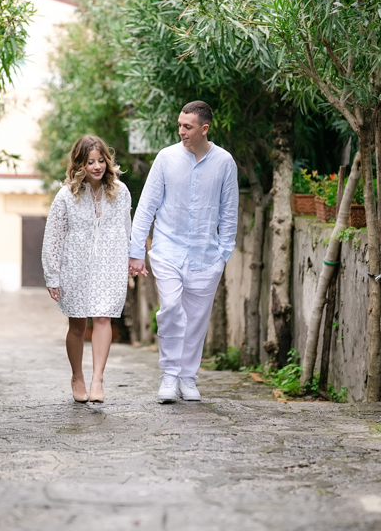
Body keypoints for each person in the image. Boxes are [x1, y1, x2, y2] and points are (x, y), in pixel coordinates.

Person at [129, 100, 238, 403]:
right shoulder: (166, 158)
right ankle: (169, 374)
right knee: (171, 309)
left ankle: (188, 377)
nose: (181, 131)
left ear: (204, 128)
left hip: (207, 256)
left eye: (187, 127)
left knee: (197, 320)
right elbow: (146, 206)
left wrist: (223, 254)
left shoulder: (224, 162)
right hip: (167, 250)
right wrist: (136, 251)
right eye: (179, 125)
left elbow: (230, 211)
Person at [42, 135, 133, 403]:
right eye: (90, 161)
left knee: (103, 318)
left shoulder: (121, 192)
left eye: (101, 160)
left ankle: (97, 380)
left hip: (109, 265)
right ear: (80, 164)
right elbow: (54, 237)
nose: (97, 166)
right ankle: (77, 377)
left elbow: (126, 229)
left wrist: (130, 260)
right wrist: (52, 275)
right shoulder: (66, 196)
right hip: (75, 266)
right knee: (78, 325)